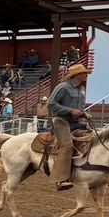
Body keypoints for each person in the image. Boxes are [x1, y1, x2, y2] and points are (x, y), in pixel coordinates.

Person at [47, 62, 90, 191]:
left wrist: (85, 113)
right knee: (67, 145)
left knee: (90, 138)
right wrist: (70, 110)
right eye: (84, 73)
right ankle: (60, 180)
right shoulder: (63, 87)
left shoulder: (81, 90)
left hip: (75, 122)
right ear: (76, 75)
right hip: (61, 120)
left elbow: (80, 108)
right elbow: (50, 104)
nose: (86, 75)